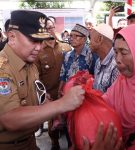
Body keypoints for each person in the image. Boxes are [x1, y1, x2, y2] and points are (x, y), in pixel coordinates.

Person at [0, 10, 85, 150]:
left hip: (30, 142)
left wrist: (47, 103)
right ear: (12, 36)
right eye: (33, 40)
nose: (39, 47)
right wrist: (62, 104)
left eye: (40, 41)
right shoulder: (3, 69)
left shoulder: (29, 63)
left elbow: (36, 91)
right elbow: (10, 118)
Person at [35, 18, 71, 149]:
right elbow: (36, 77)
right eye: (46, 28)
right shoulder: (38, 51)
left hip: (66, 94)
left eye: (51, 27)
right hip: (50, 95)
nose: (49, 31)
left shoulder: (66, 47)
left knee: (70, 123)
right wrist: (44, 94)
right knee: (53, 127)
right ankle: (55, 144)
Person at [59, 23, 98, 94]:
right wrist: (60, 91)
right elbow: (63, 76)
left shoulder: (91, 55)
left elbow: (95, 77)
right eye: (70, 36)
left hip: (85, 95)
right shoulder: (67, 55)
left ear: (84, 39)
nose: (72, 38)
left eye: (76, 36)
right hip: (68, 94)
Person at [90, 23, 119, 93]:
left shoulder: (117, 64)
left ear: (100, 39)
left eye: (90, 38)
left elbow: (114, 98)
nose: (89, 42)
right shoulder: (98, 62)